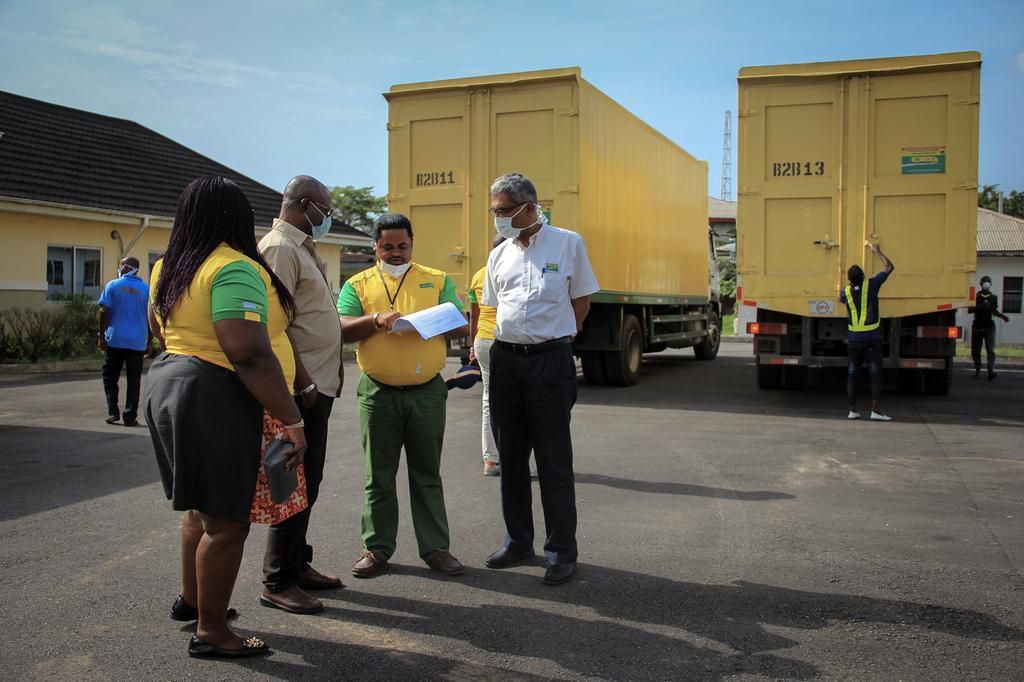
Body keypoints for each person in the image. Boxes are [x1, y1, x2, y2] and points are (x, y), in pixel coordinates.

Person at [145, 176, 307, 659]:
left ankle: (193, 603)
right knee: (228, 522)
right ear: (237, 217)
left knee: (200, 508)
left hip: (170, 382)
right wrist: (292, 420)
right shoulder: (233, 269)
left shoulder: (168, 266)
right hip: (213, 394)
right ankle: (212, 632)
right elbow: (249, 354)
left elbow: (160, 325)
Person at [481, 172, 599, 586]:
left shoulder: (569, 243)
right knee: (510, 457)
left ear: (530, 207)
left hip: (550, 362)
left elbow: (580, 304)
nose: (498, 219)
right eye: (494, 211)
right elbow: (493, 307)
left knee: (552, 459)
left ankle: (561, 551)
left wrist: (553, 340)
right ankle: (518, 541)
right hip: (507, 363)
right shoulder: (499, 254)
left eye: (504, 211)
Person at [337, 212, 469, 579]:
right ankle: (376, 549)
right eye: (387, 247)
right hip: (377, 394)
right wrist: (376, 319)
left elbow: (460, 323)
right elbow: (343, 329)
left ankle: (436, 549)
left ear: (412, 244)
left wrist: (430, 322)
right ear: (375, 247)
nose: (396, 253)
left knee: (427, 473)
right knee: (377, 476)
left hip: (426, 391)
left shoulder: (436, 279)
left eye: (402, 246)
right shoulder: (358, 284)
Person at [256, 176, 344, 615]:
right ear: (306, 205)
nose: (329, 217)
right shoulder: (279, 248)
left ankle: (297, 563)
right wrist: (304, 382)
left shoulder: (302, 247)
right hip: (301, 390)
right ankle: (278, 581)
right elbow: (277, 326)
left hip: (318, 387)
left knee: (309, 482)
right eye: (325, 209)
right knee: (292, 483)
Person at [839, 242, 894, 421]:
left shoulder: (845, 292)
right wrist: (877, 251)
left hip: (854, 339)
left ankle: (852, 410)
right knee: (875, 372)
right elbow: (889, 267)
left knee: (852, 372)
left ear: (849, 279)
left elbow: (841, 299)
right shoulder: (872, 285)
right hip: (872, 337)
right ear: (863, 276)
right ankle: (876, 410)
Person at [98, 256, 153, 426]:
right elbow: (151, 318)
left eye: (121, 266)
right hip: (137, 341)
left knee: (110, 376)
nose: (119, 268)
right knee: (134, 380)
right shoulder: (146, 290)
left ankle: (113, 411)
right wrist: (150, 342)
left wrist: (101, 335)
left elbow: (103, 311)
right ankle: (130, 416)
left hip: (115, 340)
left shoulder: (113, 285)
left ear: (128, 268)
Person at [468, 237, 504, 476]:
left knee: (488, 400)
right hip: (505, 340)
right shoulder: (513, 271)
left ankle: (490, 460)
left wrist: (472, 346)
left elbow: (475, 315)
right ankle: (513, 457)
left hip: (482, 339)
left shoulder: (478, 275)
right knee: (515, 401)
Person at [968, 275, 1010, 380]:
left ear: (990, 284)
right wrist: (980, 306)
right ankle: (977, 369)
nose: (986, 283)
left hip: (989, 327)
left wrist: (1003, 316)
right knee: (975, 350)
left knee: (990, 350)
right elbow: (970, 310)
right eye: (984, 281)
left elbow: (994, 311)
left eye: (988, 281)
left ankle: (990, 371)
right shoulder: (976, 296)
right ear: (980, 284)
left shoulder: (993, 297)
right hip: (977, 326)